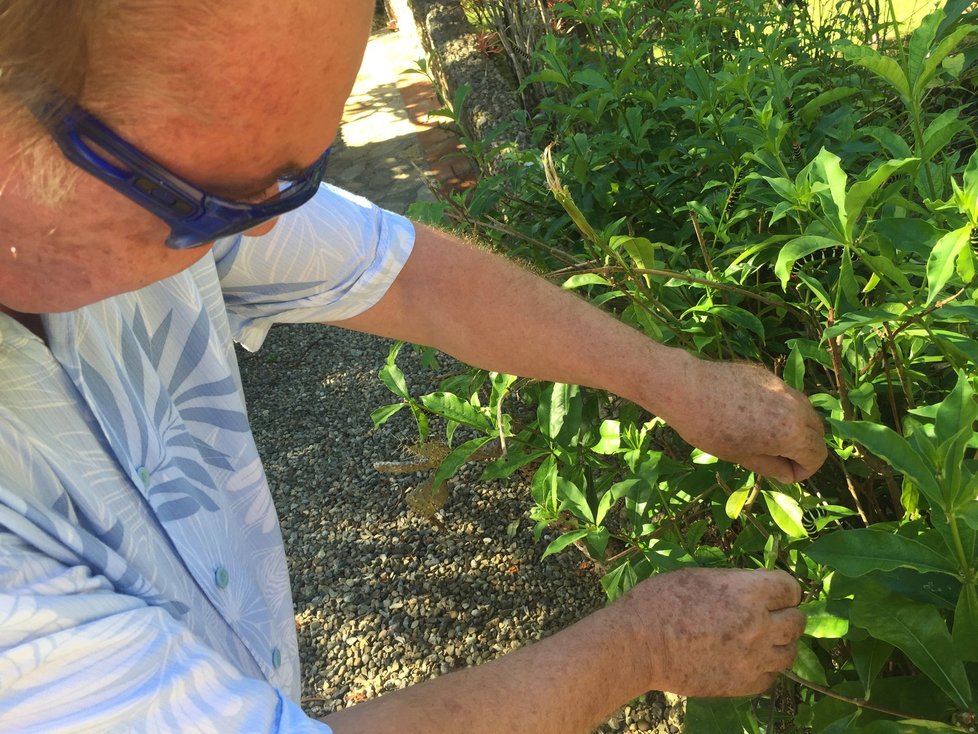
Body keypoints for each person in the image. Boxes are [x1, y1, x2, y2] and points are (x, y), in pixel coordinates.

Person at [0, 1, 826, 731]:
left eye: (294, 180)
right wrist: (638, 647)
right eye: (208, 204)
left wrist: (672, 378)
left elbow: (414, 279)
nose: (253, 236)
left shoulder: (154, 178)